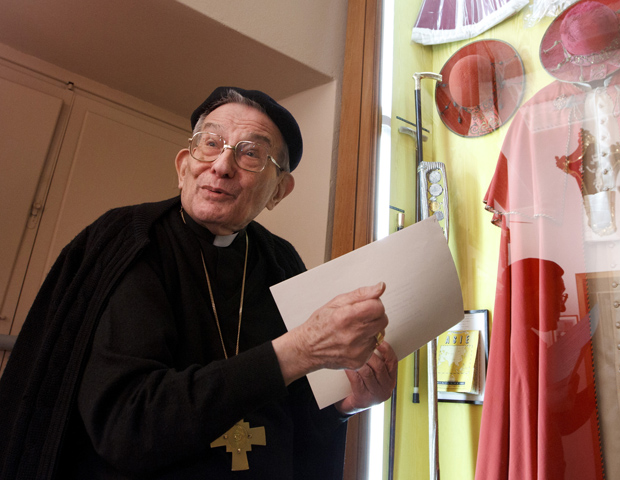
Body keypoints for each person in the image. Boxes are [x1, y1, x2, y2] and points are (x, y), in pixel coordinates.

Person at [0, 87, 398, 479]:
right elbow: (127, 425)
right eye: (210, 143)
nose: (222, 165)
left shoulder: (282, 262)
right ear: (182, 165)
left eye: (250, 153)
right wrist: (295, 352)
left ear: (279, 190)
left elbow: (294, 412)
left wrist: (346, 404)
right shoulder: (134, 242)